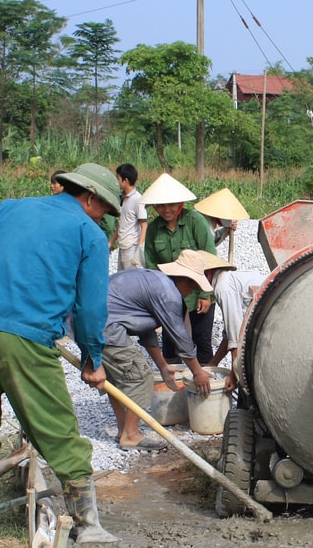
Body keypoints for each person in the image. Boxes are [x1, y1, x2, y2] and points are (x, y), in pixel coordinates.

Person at [0, 162, 121, 546]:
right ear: (90, 197)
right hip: (24, 340)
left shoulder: (14, 207)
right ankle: (89, 527)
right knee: (57, 429)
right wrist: (94, 361)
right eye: (105, 209)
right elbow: (91, 310)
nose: (104, 218)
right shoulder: (87, 233)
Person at [102, 256, 216, 451]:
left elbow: (144, 328)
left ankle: (124, 431)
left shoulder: (155, 281)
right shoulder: (169, 294)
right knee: (139, 376)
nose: (193, 291)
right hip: (105, 327)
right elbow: (181, 338)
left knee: (118, 379)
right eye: (194, 286)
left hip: (93, 322)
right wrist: (198, 372)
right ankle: (131, 435)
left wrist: (163, 366)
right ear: (185, 279)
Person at [141, 173, 217, 364]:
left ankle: (205, 378)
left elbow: (210, 258)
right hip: (169, 292)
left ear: (180, 203)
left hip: (198, 288)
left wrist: (204, 294)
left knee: (202, 338)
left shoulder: (195, 221)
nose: (166, 210)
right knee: (169, 336)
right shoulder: (153, 229)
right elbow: (151, 265)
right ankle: (172, 379)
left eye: (171, 205)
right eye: (161, 206)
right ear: (155, 207)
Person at [191, 250, 265, 377]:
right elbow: (230, 333)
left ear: (207, 274)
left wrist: (234, 375)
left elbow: (235, 338)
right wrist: (212, 364)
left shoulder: (222, 288)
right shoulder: (225, 281)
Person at [108, 163, 147, 271]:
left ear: (125, 180)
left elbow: (144, 225)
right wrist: (111, 242)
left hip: (132, 247)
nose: (117, 182)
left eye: (118, 178)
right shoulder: (123, 198)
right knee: (121, 279)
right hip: (122, 246)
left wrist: (138, 250)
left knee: (131, 280)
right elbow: (121, 223)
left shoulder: (138, 199)